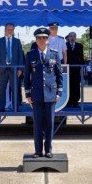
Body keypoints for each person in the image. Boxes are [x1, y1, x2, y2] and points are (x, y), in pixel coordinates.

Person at [24, 28, 63, 158]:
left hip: (51, 94)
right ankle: (38, 151)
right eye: (39, 38)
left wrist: (59, 93)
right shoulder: (30, 55)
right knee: (37, 124)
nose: (42, 40)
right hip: (36, 95)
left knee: (50, 124)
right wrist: (28, 94)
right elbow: (26, 76)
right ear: (36, 40)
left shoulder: (54, 54)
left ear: (47, 40)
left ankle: (48, 150)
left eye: (44, 38)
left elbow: (59, 75)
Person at [0, 22, 25, 112]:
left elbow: (20, 56)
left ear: (13, 30)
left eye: (11, 30)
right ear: (5, 30)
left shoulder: (17, 41)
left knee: (15, 89)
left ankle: (16, 107)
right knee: (1, 89)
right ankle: (1, 107)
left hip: (14, 69)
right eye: (8, 29)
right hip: (2, 69)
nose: (10, 31)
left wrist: (20, 69)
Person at [65, 31, 84, 107]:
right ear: (68, 37)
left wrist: (82, 67)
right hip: (68, 70)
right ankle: (68, 101)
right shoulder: (65, 45)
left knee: (76, 85)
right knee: (68, 85)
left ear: (75, 37)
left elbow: (81, 57)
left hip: (76, 69)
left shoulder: (79, 46)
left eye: (74, 36)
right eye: (71, 36)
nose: (72, 37)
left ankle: (75, 101)